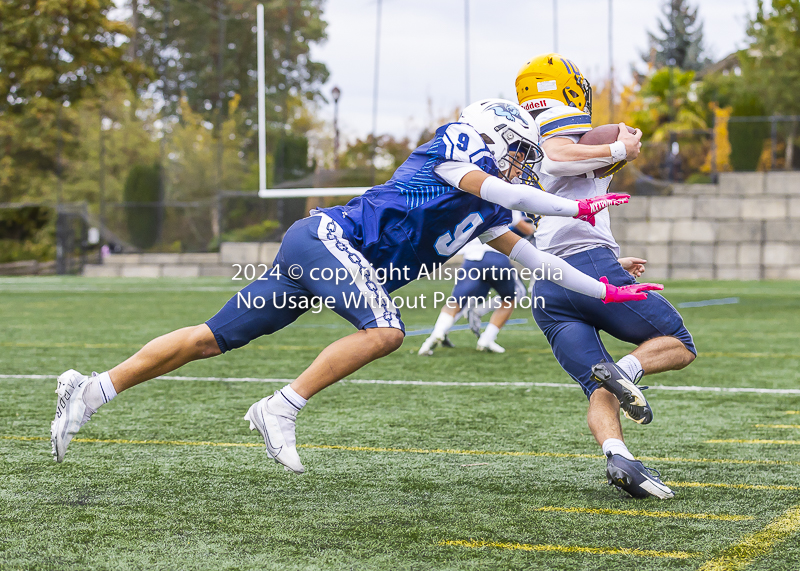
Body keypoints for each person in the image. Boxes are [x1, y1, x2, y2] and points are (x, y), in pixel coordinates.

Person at [51, 98, 660, 474]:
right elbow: (505, 191)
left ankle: (93, 390)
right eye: (520, 153)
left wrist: (606, 293)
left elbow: (537, 260)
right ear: (493, 138)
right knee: (386, 330)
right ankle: (278, 409)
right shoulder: (452, 152)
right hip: (326, 242)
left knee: (211, 339)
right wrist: (572, 210)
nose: (526, 166)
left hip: (324, 256)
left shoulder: (490, 209)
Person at [515, 54, 696, 499]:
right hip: (586, 266)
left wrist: (613, 258)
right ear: (564, 85)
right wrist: (619, 148)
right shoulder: (558, 116)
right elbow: (558, 158)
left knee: (598, 385)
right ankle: (624, 370)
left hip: (548, 284)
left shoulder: (516, 137)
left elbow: (559, 186)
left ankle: (619, 457)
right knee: (679, 345)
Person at [418, 212, 533, 355]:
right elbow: (527, 230)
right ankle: (487, 339)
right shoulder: (502, 202)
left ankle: (435, 335)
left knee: (456, 301)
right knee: (510, 298)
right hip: (496, 258)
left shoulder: (467, 205)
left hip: (471, 260)